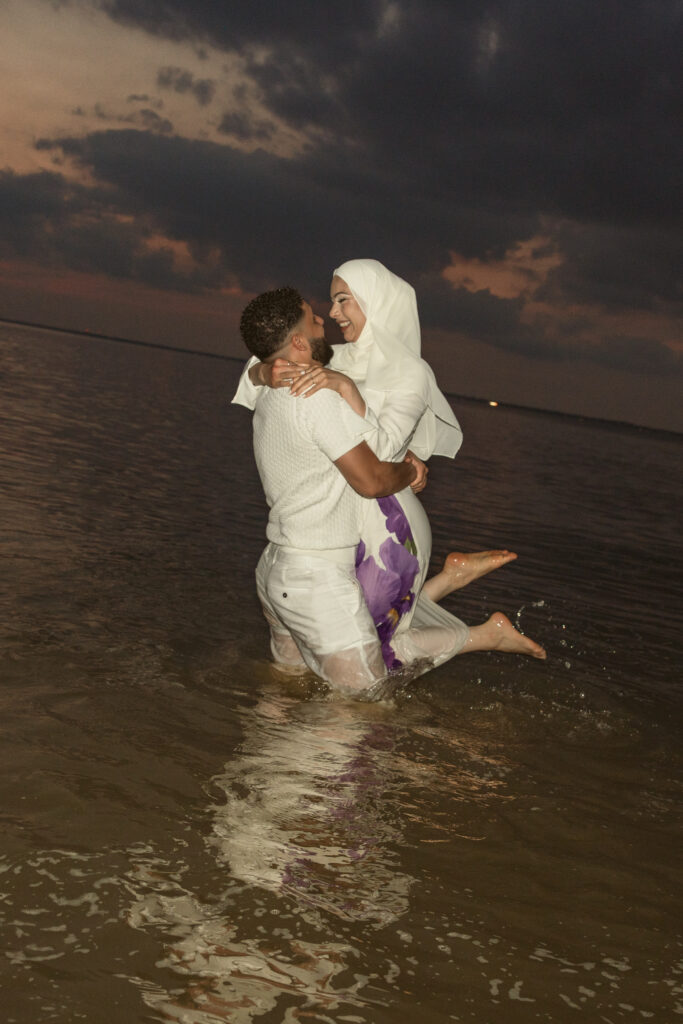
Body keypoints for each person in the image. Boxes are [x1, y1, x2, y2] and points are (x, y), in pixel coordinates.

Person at [236, 286, 545, 697]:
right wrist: (409, 469)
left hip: (275, 568)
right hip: (315, 576)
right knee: (368, 703)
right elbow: (372, 481)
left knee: (285, 686)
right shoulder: (316, 398)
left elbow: (257, 369)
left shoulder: (270, 387)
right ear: (298, 343)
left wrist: (267, 372)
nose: (324, 319)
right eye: (313, 318)